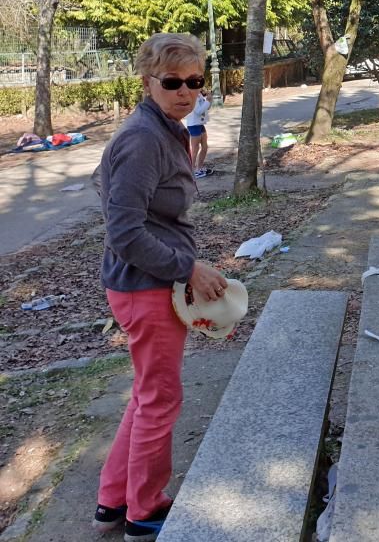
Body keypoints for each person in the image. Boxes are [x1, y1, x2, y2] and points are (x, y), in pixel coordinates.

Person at [92, 33, 230, 541]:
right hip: (144, 287)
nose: (185, 91)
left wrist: (182, 256)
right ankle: (144, 510)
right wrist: (186, 267)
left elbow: (106, 186)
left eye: (196, 82)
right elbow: (124, 231)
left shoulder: (163, 127)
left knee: (147, 396)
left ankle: (114, 499)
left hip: (152, 281)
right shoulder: (143, 137)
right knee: (161, 399)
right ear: (148, 81)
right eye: (172, 82)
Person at [183, 89, 211, 178]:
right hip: (193, 124)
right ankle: (191, 171)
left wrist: (209, 100)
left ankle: (199, 168)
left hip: (200, 123)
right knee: (195, 148)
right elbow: (198, 111)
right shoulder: (191, 96)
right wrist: (208, 101)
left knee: (205, 146)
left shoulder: (199, 94)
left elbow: (206, 107)